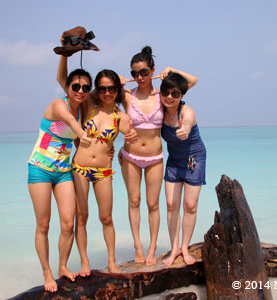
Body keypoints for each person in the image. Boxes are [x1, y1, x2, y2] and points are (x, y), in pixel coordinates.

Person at [118, 46, 198, 265]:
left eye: (144, 72)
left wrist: (172, 69)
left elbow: (191, 82)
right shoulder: (127, 95)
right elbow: (101, 91)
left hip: (155, 158)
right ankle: (138, 246)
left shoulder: (163, 95)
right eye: (135, 73)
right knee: (134, 201)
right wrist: (117, 78)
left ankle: (153, 247)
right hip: (131, 156)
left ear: (152, 70)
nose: (140, 77)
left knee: (153, 204)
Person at [27, 67, 93, 292]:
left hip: (64, 170)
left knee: (68, 224)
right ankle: (47, 273)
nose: (80, 91)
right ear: (67, 87)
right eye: (75, 86)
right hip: (40, 169)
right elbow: (70, 124)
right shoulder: (59, 105)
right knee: (43, 225)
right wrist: (83, 134)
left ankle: (62, 266)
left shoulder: (82, 110)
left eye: (85, 88)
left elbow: (72, 141)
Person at [72, 69, 132, 275]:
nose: (107, 93)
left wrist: (127, 141)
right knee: (81, 217)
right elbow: (69, 86)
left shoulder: (120, 116)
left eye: (112, 88)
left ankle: (112, 262)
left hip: (103, 172)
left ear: (117, 90)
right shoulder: (88, 104)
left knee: (106, 218)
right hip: (79, 168)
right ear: (97, 90)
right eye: (103, 88)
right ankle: (84, 262)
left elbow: (131, 130)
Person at [159, 72, 206, 267]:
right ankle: (174, 247)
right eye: (166, 92)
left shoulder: (187, 112)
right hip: (174, 160)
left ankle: (185, 248)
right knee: (171, 204)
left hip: (193, 159)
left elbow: (187, 123)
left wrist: (184, 130)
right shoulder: (159, 108)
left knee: (190, 205)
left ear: (182, 96)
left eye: (175, 93)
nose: (169, 96)